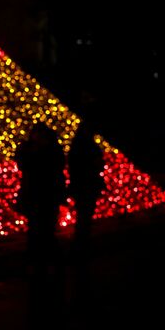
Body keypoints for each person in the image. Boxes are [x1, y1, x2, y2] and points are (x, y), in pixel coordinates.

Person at [14, 122, 67, 330]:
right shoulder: (32, 150)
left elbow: (54, 171)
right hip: (36, 198)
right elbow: (23, 165)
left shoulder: (51, 152)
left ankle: (45, 264)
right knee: (37, 231)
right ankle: (40, 265)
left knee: (43, 231)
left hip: (46, 198)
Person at [68, 119, 105, 311]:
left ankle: (80, 246)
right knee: (84, 217)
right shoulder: (88, 147)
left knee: (83, 217)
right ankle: (82, 247)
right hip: (87, 186)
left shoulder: (77, 147)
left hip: (82, 187)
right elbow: (97, 164)